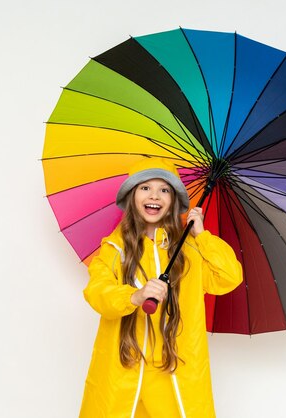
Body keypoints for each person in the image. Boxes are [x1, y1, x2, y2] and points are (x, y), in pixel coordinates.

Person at [79, 158, 243, 418]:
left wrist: (202, 236)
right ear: (132, 196)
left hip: (175, 375)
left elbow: (229, 277)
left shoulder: (188, 250)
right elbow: (97, 293)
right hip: (123, 375)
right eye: (145, 188)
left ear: (173, 201)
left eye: (164, 190)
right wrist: (135, 296)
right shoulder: (114, 249)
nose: (154, 196)